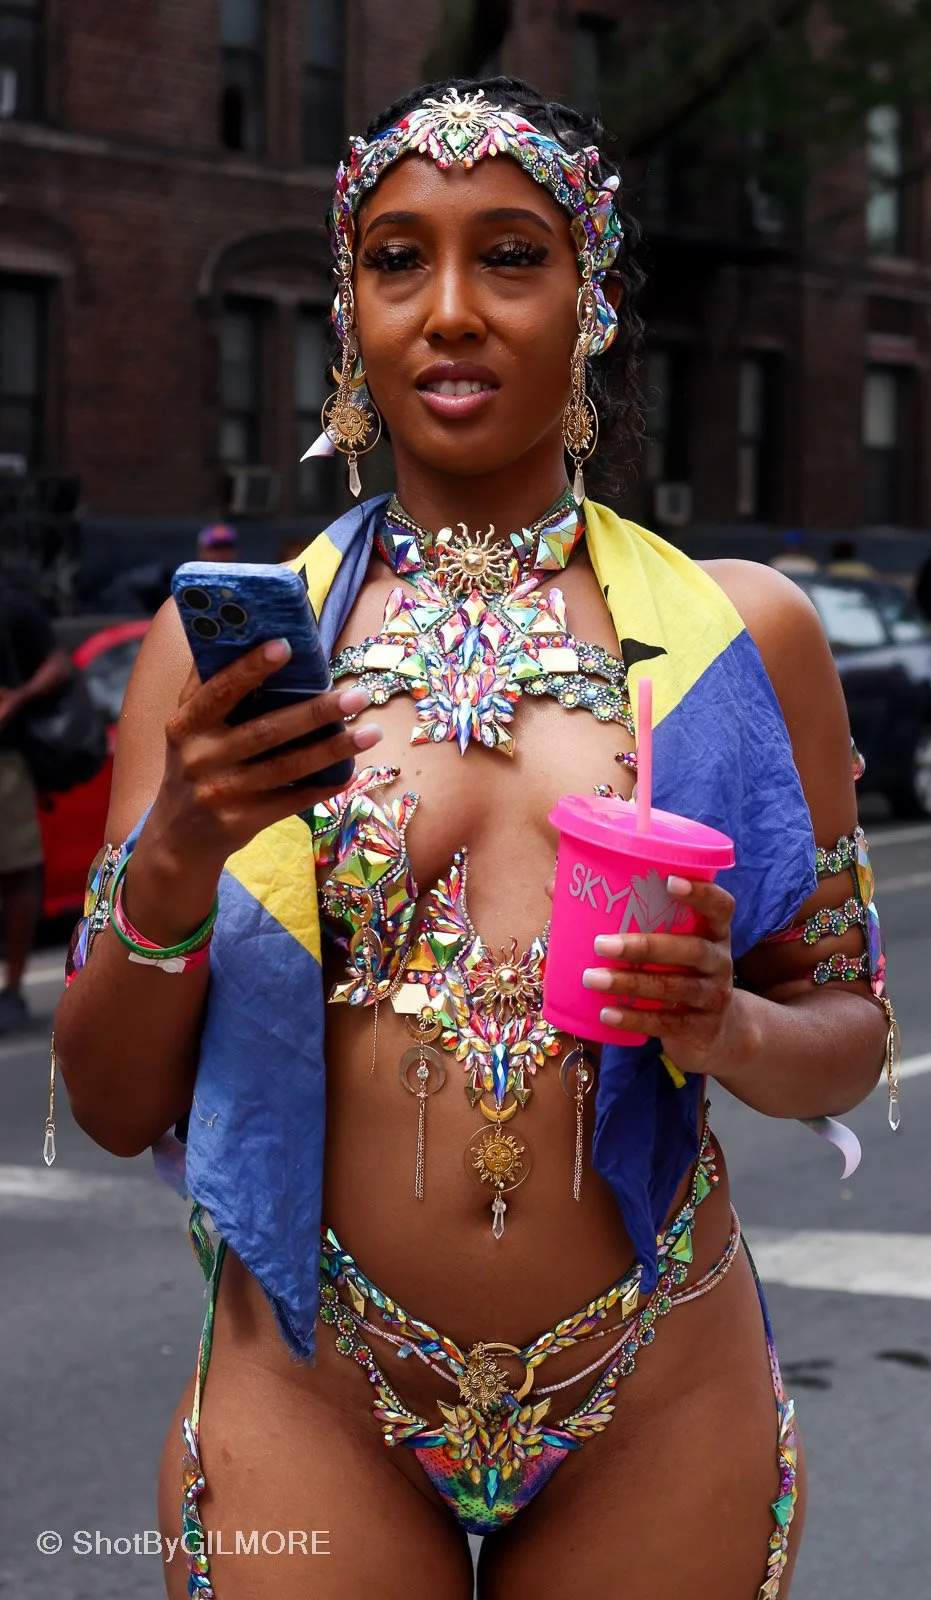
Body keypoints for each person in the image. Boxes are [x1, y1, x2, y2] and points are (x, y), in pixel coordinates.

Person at [54, 79, 894, 1599]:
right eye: (396, 259)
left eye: (509, 255)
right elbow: (113, 1104)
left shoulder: (735, 637)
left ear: (593, 304)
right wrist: (181, 842)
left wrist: (730, 1026)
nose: (449, 310)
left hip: (655, 1383)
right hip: (308, 1378)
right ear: (346, 307)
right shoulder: (228, 660)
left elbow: (845, 1030)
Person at [0, 579, 70, 1031]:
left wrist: (18, 697)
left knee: (17, 873)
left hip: (4, 763)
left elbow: (58, 662)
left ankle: (12, 989)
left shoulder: (10, 602)